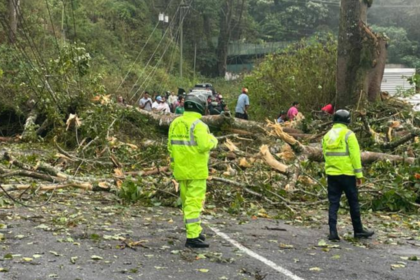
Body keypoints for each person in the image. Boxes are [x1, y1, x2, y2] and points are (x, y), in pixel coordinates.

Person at [168, 94, 218, 248]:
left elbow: (170, 147)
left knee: (186, 203)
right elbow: (204, 145)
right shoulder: (199, 125)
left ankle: (194, 230)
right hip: (196, 171)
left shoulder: (175, 123)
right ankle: (192, 237)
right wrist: (213, 140)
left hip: (181, 171)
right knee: (194, 204)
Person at [322, 110, 374, 241]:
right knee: (353, 203)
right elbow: (355, 156)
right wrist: (359, 174)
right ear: (348, 121)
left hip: (332, 174)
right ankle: (358, 230)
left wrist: (329, 169)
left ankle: (333, 232)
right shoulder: (349, 135)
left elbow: (325, 155)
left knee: (333, 203)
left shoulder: (327, 136)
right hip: (348, 174)